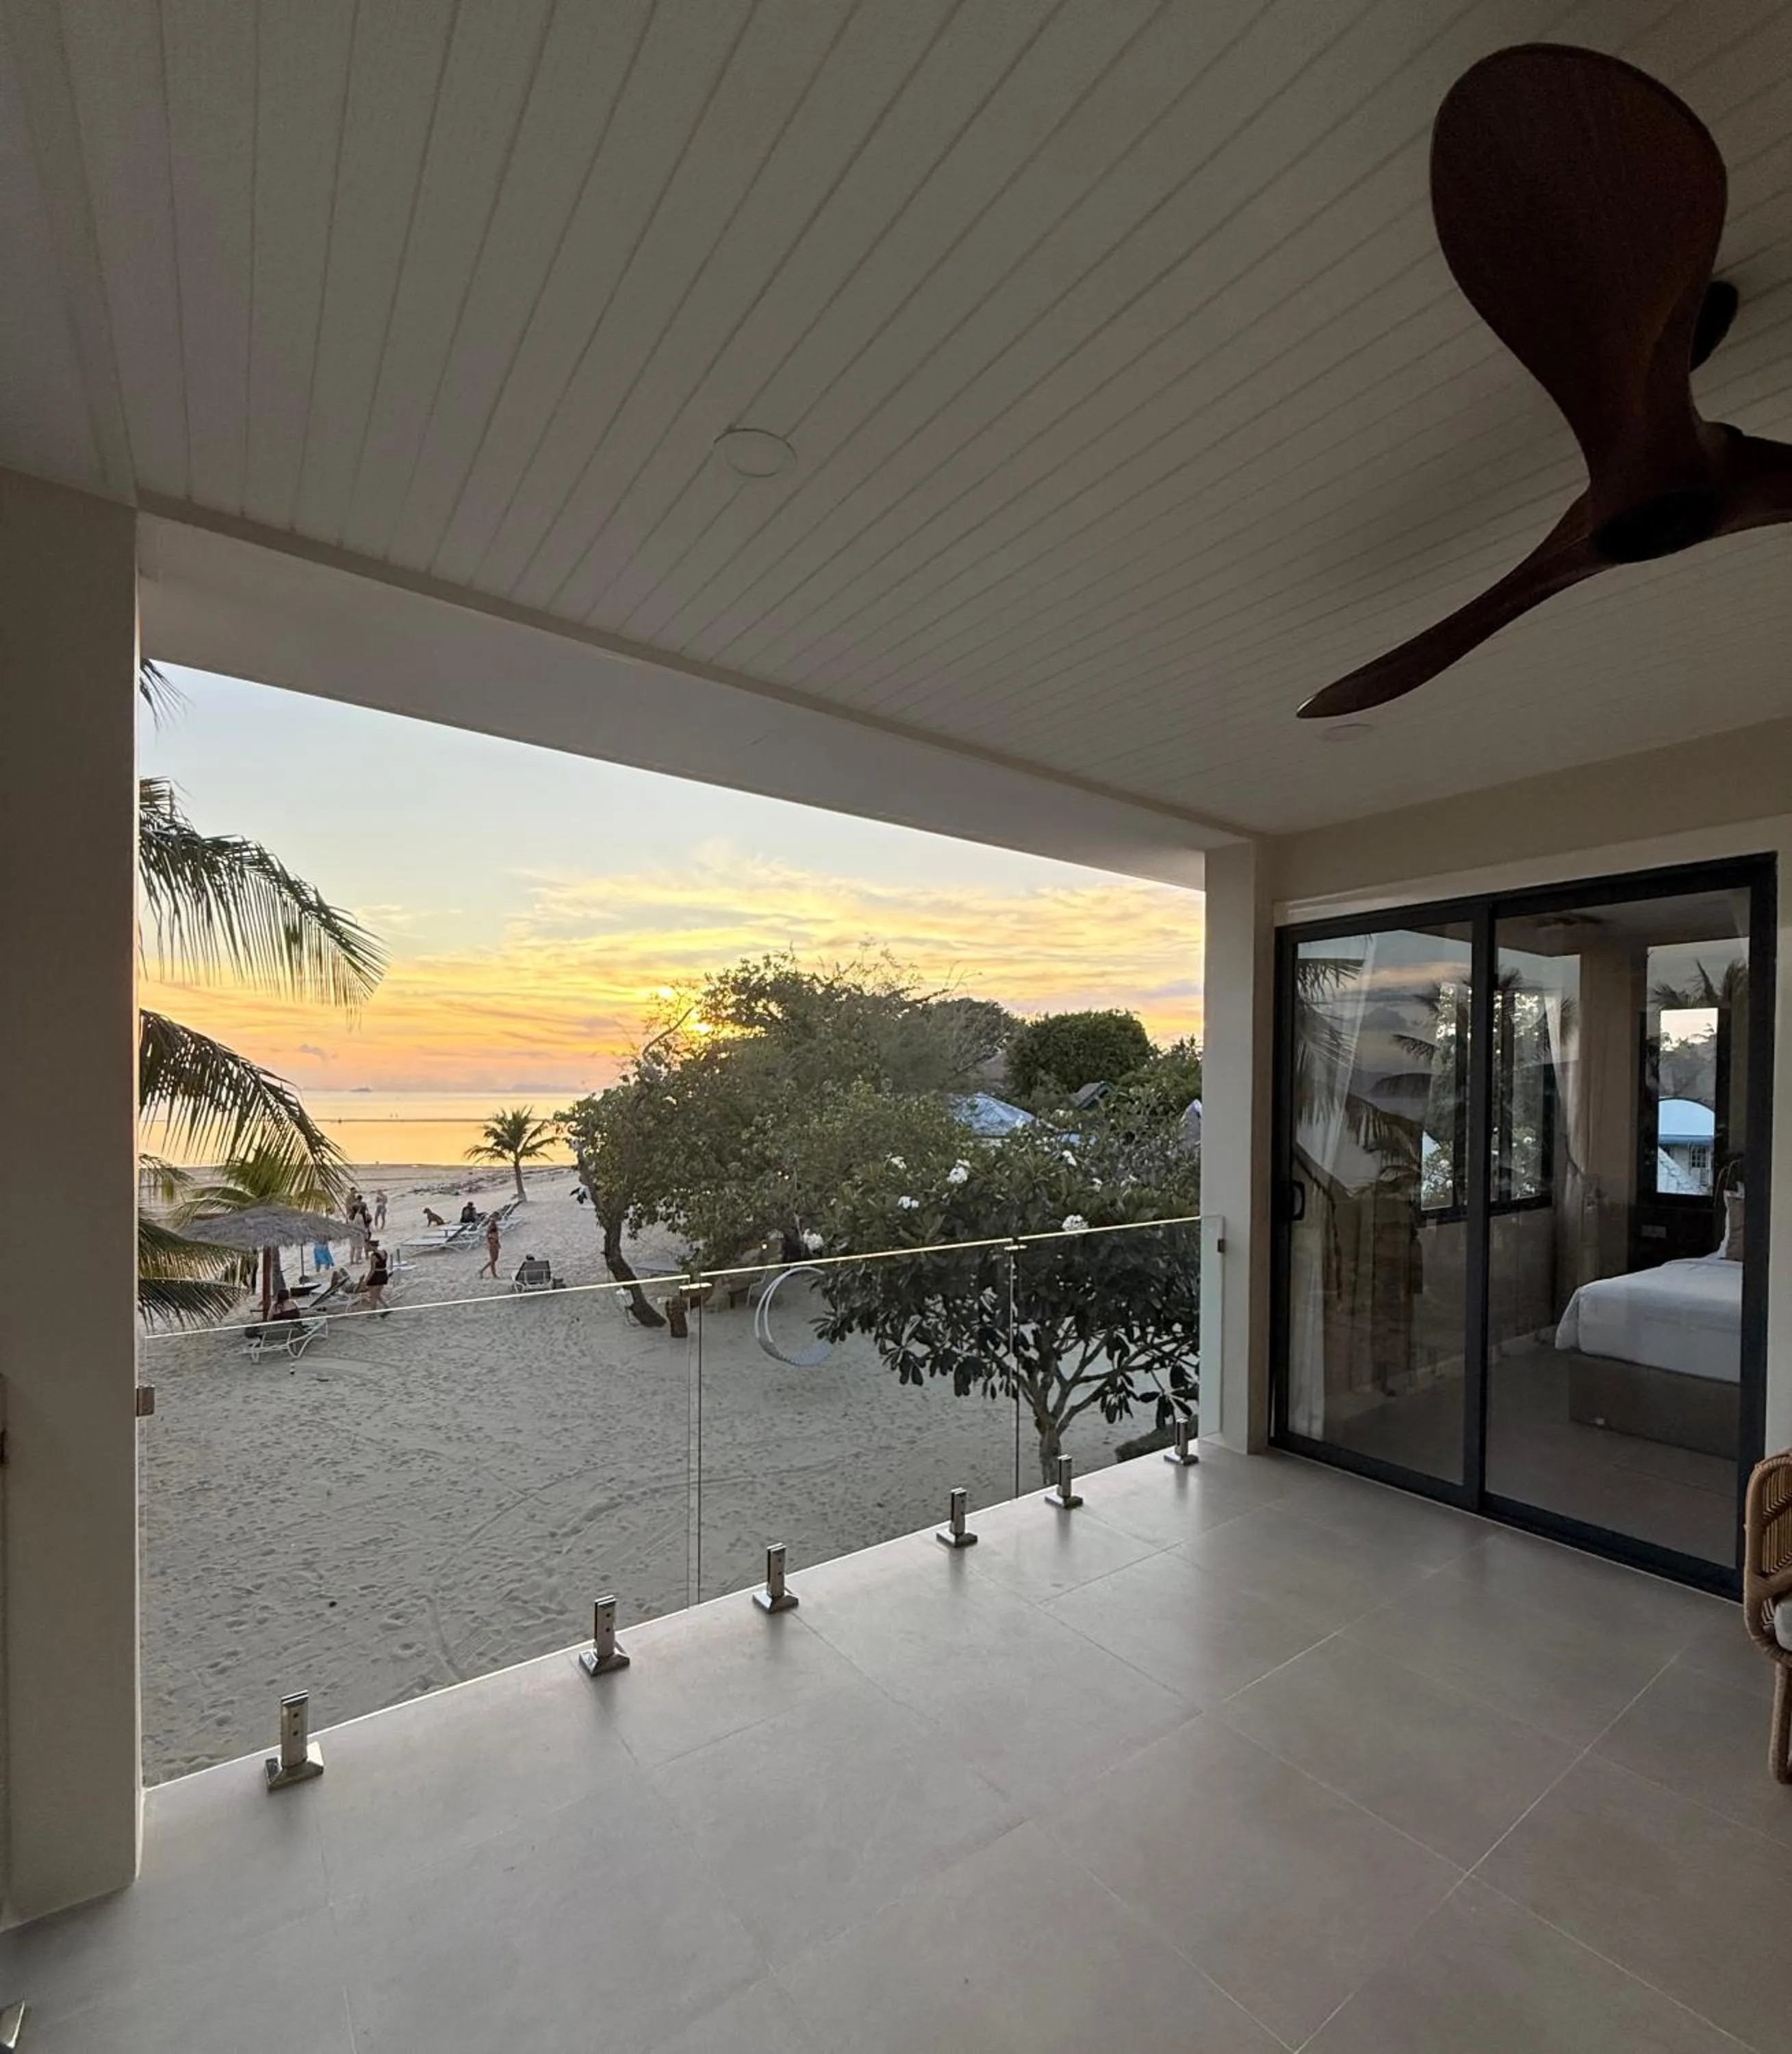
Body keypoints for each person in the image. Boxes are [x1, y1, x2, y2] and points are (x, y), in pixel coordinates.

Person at [361, 1242, 391, 1316]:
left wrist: (366, 1280)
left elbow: (372, 1270)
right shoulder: (384, 1252)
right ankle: (387, 1307)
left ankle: (373, 1314)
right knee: (377, 1295)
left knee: (373, 1297)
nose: (367, 1248)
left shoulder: (374, 1256)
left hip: (376, 1276)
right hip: (384, 1274)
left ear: (372, 1246)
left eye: (368, 1246)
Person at [480, 1215, 502, 1280]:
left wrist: (498, 1243)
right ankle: (493, 1274)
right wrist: (494, 1244)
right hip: (493, 1245)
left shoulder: (494, 1225)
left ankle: (484, 1271)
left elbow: (495, 1235)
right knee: (493, 1260)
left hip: (495, 1243)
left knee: (494, 1259)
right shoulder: (492, 1226)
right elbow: (490, 1237)